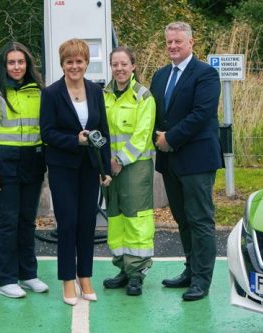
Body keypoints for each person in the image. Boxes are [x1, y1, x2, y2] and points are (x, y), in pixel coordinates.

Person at [150, 22, 222, 301]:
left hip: (196, 159)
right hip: (170, 162)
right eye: (169, 42)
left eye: (178, 41)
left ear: (191, 42)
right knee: (182, 219)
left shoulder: (206, 74)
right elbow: (155, 115)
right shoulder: (160, 75)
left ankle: (202, 280)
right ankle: (190, 270)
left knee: (200, 219)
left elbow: (201, 114)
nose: (173, 46)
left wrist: (170, 138)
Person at [0, 42, 49, 299]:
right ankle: (5, 279)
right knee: (6, 222)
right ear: (4, 66)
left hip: (32, 163)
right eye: (11, 62)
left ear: (28, 64)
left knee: (27, 221)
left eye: (21, 62)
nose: (17, 67)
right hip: (3, 164)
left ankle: (28, 274)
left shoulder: (39, 93)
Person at [40, 38, 112, 306]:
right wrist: (75, 140)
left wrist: (105, 168)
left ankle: (85, 277)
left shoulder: (95, 91)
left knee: (87, 224)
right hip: (62, 168)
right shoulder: (50, 93)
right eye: (69, 61)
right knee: (67, 224)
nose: (75, 66)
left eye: (79, 61)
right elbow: (47, 133)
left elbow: (103, 131)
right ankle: (67, 280)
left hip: (89, 168)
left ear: (86, 63)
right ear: (62, 64)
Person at [102, 46, 156, 296]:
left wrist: (120, 160)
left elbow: (142, 135)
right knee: (116, 218)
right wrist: (103, 163)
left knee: (136, 219)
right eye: (115, 64)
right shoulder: (104, 94)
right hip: (110, 168)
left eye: (124, 64)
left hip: (134, 167)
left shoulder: (143, 96)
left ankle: (137, 274)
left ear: (133, 66)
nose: (120, 69)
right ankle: (123, 268)